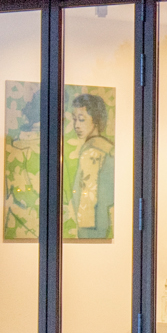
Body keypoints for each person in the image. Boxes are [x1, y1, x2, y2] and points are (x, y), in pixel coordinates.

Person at [61, 90, 116, 240]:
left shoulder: (92, 150)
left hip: (92, 226)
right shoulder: (106, 146)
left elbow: (87, 199)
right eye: (74, 119)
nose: (76, 125)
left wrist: (84, 234)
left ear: (96, 120)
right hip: (102, 222)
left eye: (82, 119)